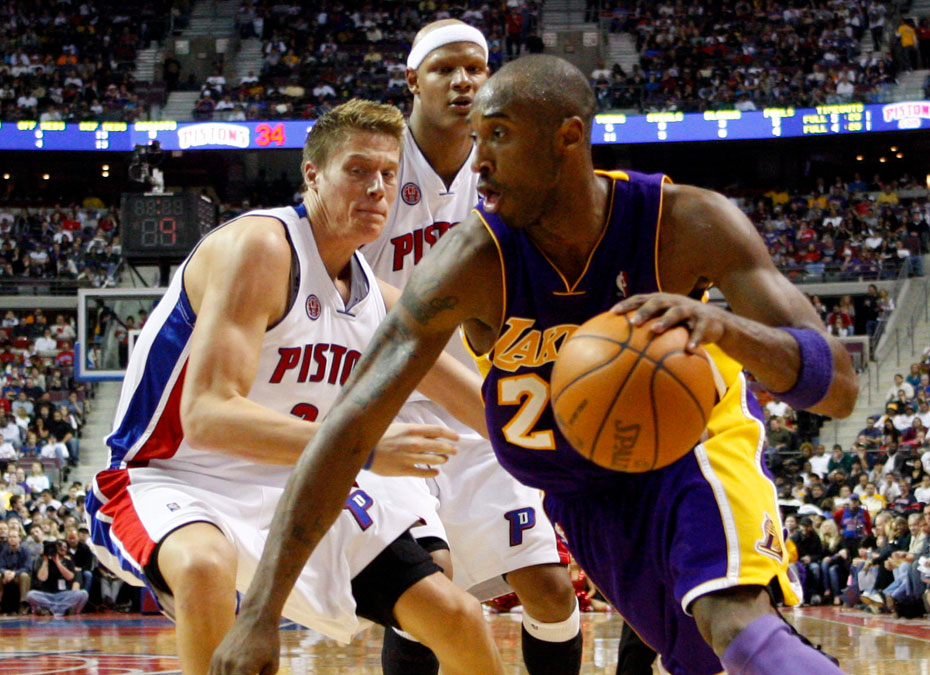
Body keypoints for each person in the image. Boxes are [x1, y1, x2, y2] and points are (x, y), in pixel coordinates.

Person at [211, 55, 856, 675]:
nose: (478, 161)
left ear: (567, 138)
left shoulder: (686, 221)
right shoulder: (471, 261)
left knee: (733, 618)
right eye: (475, 138)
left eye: (498, 136)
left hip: (692, 451)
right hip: (581, 496)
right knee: (707, 660)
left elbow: (840, 391)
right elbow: (349, 425)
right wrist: (260, 612)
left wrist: (726, 328)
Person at [84, 101, 503, 675]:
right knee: (205, 568)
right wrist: (370, 451)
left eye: (387, 174)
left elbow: (484, 405)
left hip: (299, 480)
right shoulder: (261, 246)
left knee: (459, 620)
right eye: (358, 170)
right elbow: (208, 415)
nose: (377, 188)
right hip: (174, 475)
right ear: (313, 174)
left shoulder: (377, 298)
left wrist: (579, 458)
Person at [356, 20, 580, 675]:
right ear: (411, 81)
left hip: (484, 411)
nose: (462, 81)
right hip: (392, 408)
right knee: (434, 589)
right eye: (445, 69)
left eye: (475, 69)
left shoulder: (508, 170)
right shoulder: (376, 165)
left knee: (551, 587)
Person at [25, 539, 88, 616]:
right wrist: (45, 561)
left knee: (83, 594)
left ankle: (51, 610)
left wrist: (58, 562)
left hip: (64, 595)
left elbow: (70, 577)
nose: (62, 548)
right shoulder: (43, 561)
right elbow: (42, 578)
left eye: (65, 547)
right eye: (60, 546)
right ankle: (61, 610)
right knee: (31, 595)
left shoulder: (69, 562)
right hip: (47, 595)